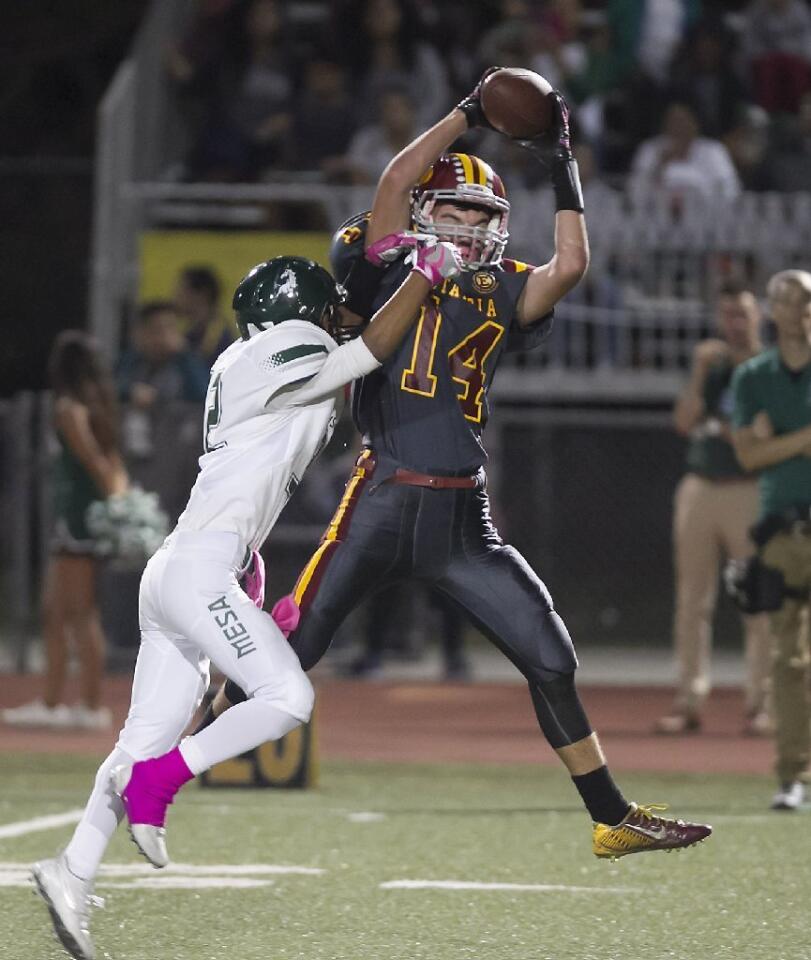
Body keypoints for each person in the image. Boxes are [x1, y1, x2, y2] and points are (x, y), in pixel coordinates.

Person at [203, 75, 712, 859]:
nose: (472, 224)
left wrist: (561, 162)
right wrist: (467, 117)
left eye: (483, 214)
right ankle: (170, 748)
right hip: (381, 497)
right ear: (421, 215)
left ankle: (611, 817)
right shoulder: (378, 265)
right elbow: (393, 183)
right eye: (457, 208)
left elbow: (570, 263)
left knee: (551, 656)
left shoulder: (502, 286)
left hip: (461, 518)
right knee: (295, 650)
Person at [31, 243, 463, 960]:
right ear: (296, 314)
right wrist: (425, 273)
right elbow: (369, 349)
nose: (334, 321)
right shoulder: (282, 347)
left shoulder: (246, 361)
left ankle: (71, 871)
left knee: (137, 743)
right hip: (197, 571)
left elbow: (252, 474)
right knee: (286, 699)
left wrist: (250, 573)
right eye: (323, 311)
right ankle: (162, 782)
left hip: (191, 566)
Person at [656, 282, 772, 737]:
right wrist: (700, 374)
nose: (735, 324)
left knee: (759, 601)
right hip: (700, 486)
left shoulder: (769, 368)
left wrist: (731, 426)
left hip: (749, 489)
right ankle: (688, 701)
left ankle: (762, 704)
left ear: (758, 316)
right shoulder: (712, 364)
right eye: (728, 315)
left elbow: (763, 432)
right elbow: (684, 422)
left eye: (742, 314)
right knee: (691, 601)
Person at [4, 333, 128, 732]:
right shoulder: (95, 406)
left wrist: (118, 506)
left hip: (76, 524)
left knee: (79, 614)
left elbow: (97, 463)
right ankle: (53, 701)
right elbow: (113, 464)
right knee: (55, 614)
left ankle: (90, 706)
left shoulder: (69, 410)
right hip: (77, 523)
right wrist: (121, 500)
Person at [731, 268, 811, 811]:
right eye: (790, 301)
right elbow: (747, 456)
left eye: (807, 301)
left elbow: (764, 449)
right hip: (784, 529)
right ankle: (793, 774)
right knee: (788, 658)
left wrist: (779, 439)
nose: (800, 311)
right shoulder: (753, 377)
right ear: (773, 311)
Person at [174, 266, 235, 369]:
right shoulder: (193, 330)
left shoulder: (215, 334)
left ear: (201, 294)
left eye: (181, 291)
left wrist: (183, 351)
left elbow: (204, 372)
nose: (175, 297)